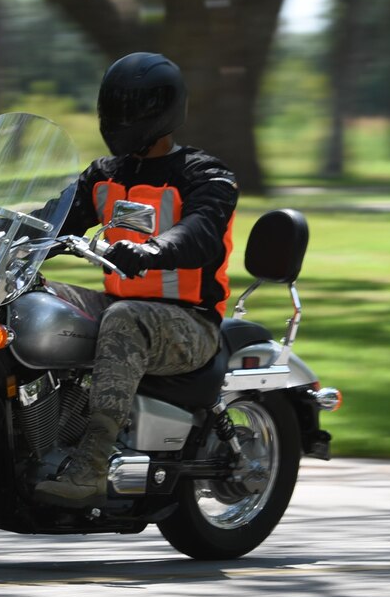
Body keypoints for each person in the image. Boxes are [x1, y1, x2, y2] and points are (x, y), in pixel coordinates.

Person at [33, 51, 240, 508]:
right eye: (113, 107)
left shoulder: (206, 175)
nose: (118, 118)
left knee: (125, 318)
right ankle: (33, 433)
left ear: (161, 111)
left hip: (189, 324)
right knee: (28, 299)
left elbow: (201, 232)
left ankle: (91, 465)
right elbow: (56, 218)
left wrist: (152, 251)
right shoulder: (104, 174)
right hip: (120, 309)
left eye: (130, 109)